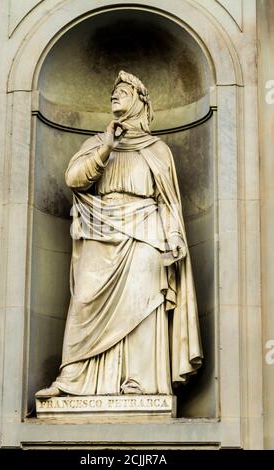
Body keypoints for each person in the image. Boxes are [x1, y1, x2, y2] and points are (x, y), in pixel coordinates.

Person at [36, 71, 202, 398]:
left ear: (141, 101)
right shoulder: (98, 144)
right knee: (85, 297)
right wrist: (106, 149)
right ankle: (75, 380)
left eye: (123, 91)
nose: (115, 95)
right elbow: (74, 179)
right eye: (114, 92)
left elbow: (167, 201)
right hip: (101, 228)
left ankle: (139, 383)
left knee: (144, 301)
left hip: (145, 232)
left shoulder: (157, 150)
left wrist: (174, 236)